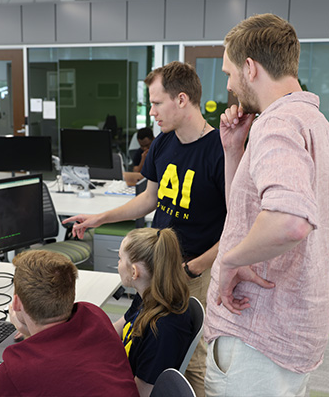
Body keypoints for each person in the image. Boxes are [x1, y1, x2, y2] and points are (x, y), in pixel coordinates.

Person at [204, 13, 329, 396]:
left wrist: (231, 260)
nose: (230, 85)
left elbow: (290, 222)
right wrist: (234, 151)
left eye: (230, 72)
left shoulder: (276, 125)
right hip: (291, 326)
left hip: (257, 333)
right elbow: (248, 212)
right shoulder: (318, 126)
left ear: (250, 67)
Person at [63, 61, 226, 396]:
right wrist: (100, 218)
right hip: (157, 260)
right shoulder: (164, 143)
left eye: (156, 102)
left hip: (193, 269)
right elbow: (149, 199)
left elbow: (236, 227)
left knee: (187, 357)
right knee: (141, 328)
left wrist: (195, 267)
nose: (151, 112)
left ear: (182, 99)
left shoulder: (220, 151)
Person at [0, 250, 139, 397]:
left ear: (16, 303)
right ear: (72, 293)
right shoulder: (94, 315)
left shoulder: (16, 370)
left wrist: (27, 337)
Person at [114, 227, 193, 397]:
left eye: (120, 259)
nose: (118, 264)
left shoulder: (162, 330)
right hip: (122, 371)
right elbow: (119, 327)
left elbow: (141, 392)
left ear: (134, 272)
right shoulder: (150, 294)